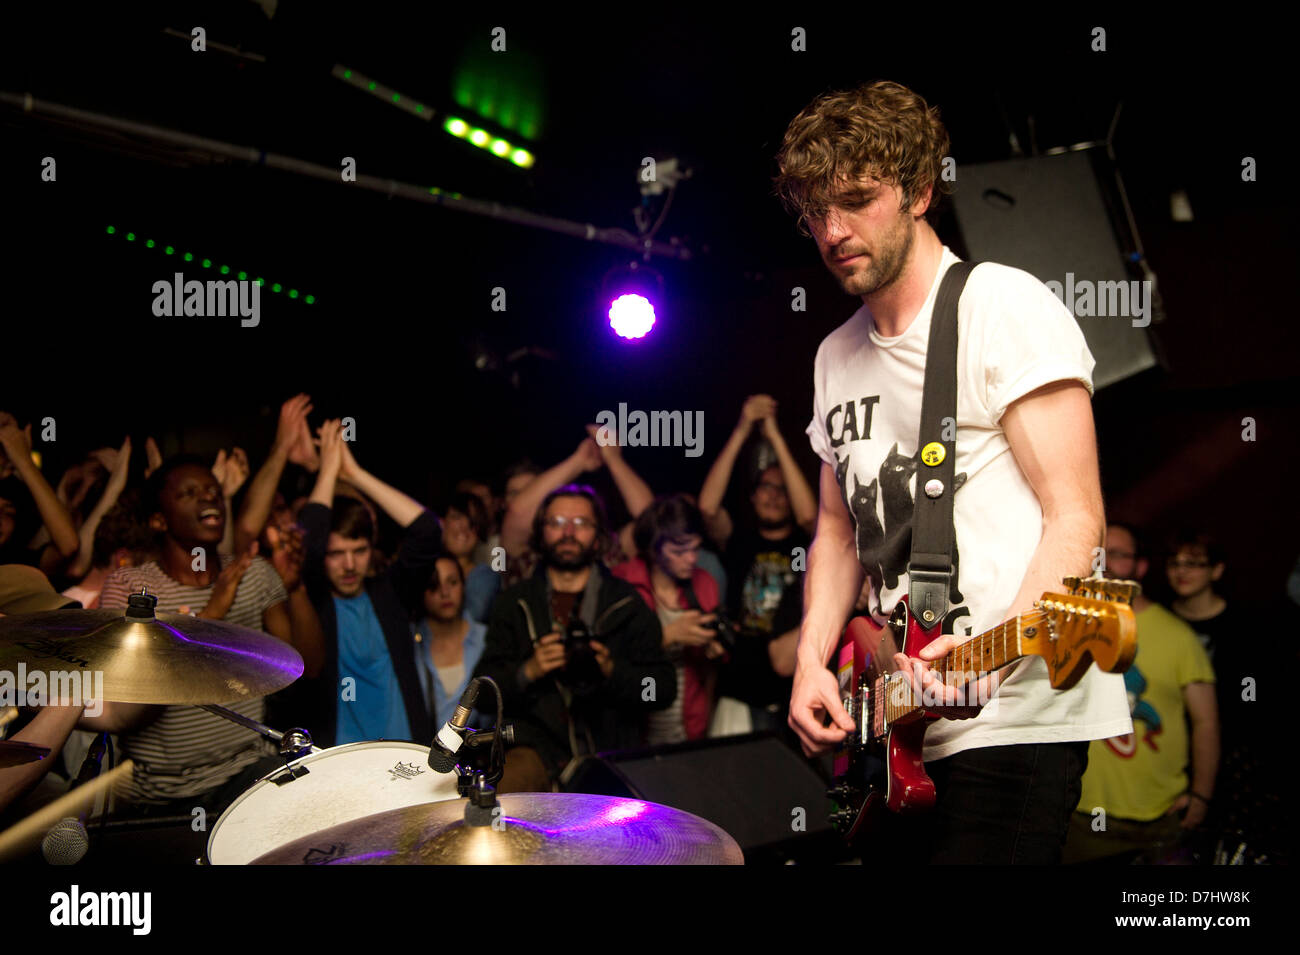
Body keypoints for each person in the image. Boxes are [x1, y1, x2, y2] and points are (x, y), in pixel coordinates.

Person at [777, 80, 1130, 863]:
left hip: (1013, 715)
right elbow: (838, 532)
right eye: (813, 213)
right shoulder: (834, 354)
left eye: (857, 199)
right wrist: (810, 664)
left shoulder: (1003, 306)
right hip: (899, 719)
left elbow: (1077, 516)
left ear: (920, 189)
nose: (832, 232)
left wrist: (997, 655)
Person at [84, 454, 321, 814]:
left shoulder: (253, 574)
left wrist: (297, 585)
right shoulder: (131, 587)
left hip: (246, 773)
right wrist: (211, 616)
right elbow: (130, 704)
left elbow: (309, 668)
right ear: (158, 519)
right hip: (160, 791)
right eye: (190, 493)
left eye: (212, 490)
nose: (208, 497)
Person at [474, 484, 675, 791]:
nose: (568, 532)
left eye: (581, 523)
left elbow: (660, 690)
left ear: (599, 535)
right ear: (541, 532)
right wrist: (528, 671)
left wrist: (612, 671)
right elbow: (483, 696)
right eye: (556, 523)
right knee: (500, 793)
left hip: (610, 757)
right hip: (535, 754)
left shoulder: (626, 603)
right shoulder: (515, 603)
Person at [1063, 524, 1218, 863]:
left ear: (1140, 567)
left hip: (1160, 819)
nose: (1105, 563)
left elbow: (1206, 722)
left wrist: (1201, 797)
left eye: (1118, 555)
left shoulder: (1178, 636)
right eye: (1099, 553)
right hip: (1081, 816)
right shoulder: (1070, 626)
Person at [297, 419, 442, 748]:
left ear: (372, 548)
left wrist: (354, 474)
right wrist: (327, 472)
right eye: (337, 553)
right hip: (337, 759)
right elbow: (304, 548)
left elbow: (427, 531)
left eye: (359, 551)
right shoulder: (316, 601)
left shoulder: (390, 593)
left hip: (403, 754)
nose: (349, 565)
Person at [699, 395, 814, 732]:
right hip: (739, 690)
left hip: (792, 691)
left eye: (782, 489)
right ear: (752, 495)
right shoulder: (739, 541)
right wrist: (742, 429)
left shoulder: (806, 544)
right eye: (765, 487)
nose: (774, 496)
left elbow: (809, 514)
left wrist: (775, 436)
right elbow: (707, 508)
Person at [611, 495, 725, 744]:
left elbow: (710, 673)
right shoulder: (622, 583)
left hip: (688, 723)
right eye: (679, 551)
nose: (691, 559)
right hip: (635, 725)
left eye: (695, 548)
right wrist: (668, 635)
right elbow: (611, 661)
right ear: (653, 548)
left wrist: (714, 649)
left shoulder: (704, 582)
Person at [411, 554, 488, 729]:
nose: (445, 593)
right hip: (421, 750)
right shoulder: (410, 644)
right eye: (434, 585)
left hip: (476, 750)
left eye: (452, 582)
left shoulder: (486, 639)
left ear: (463, 585)